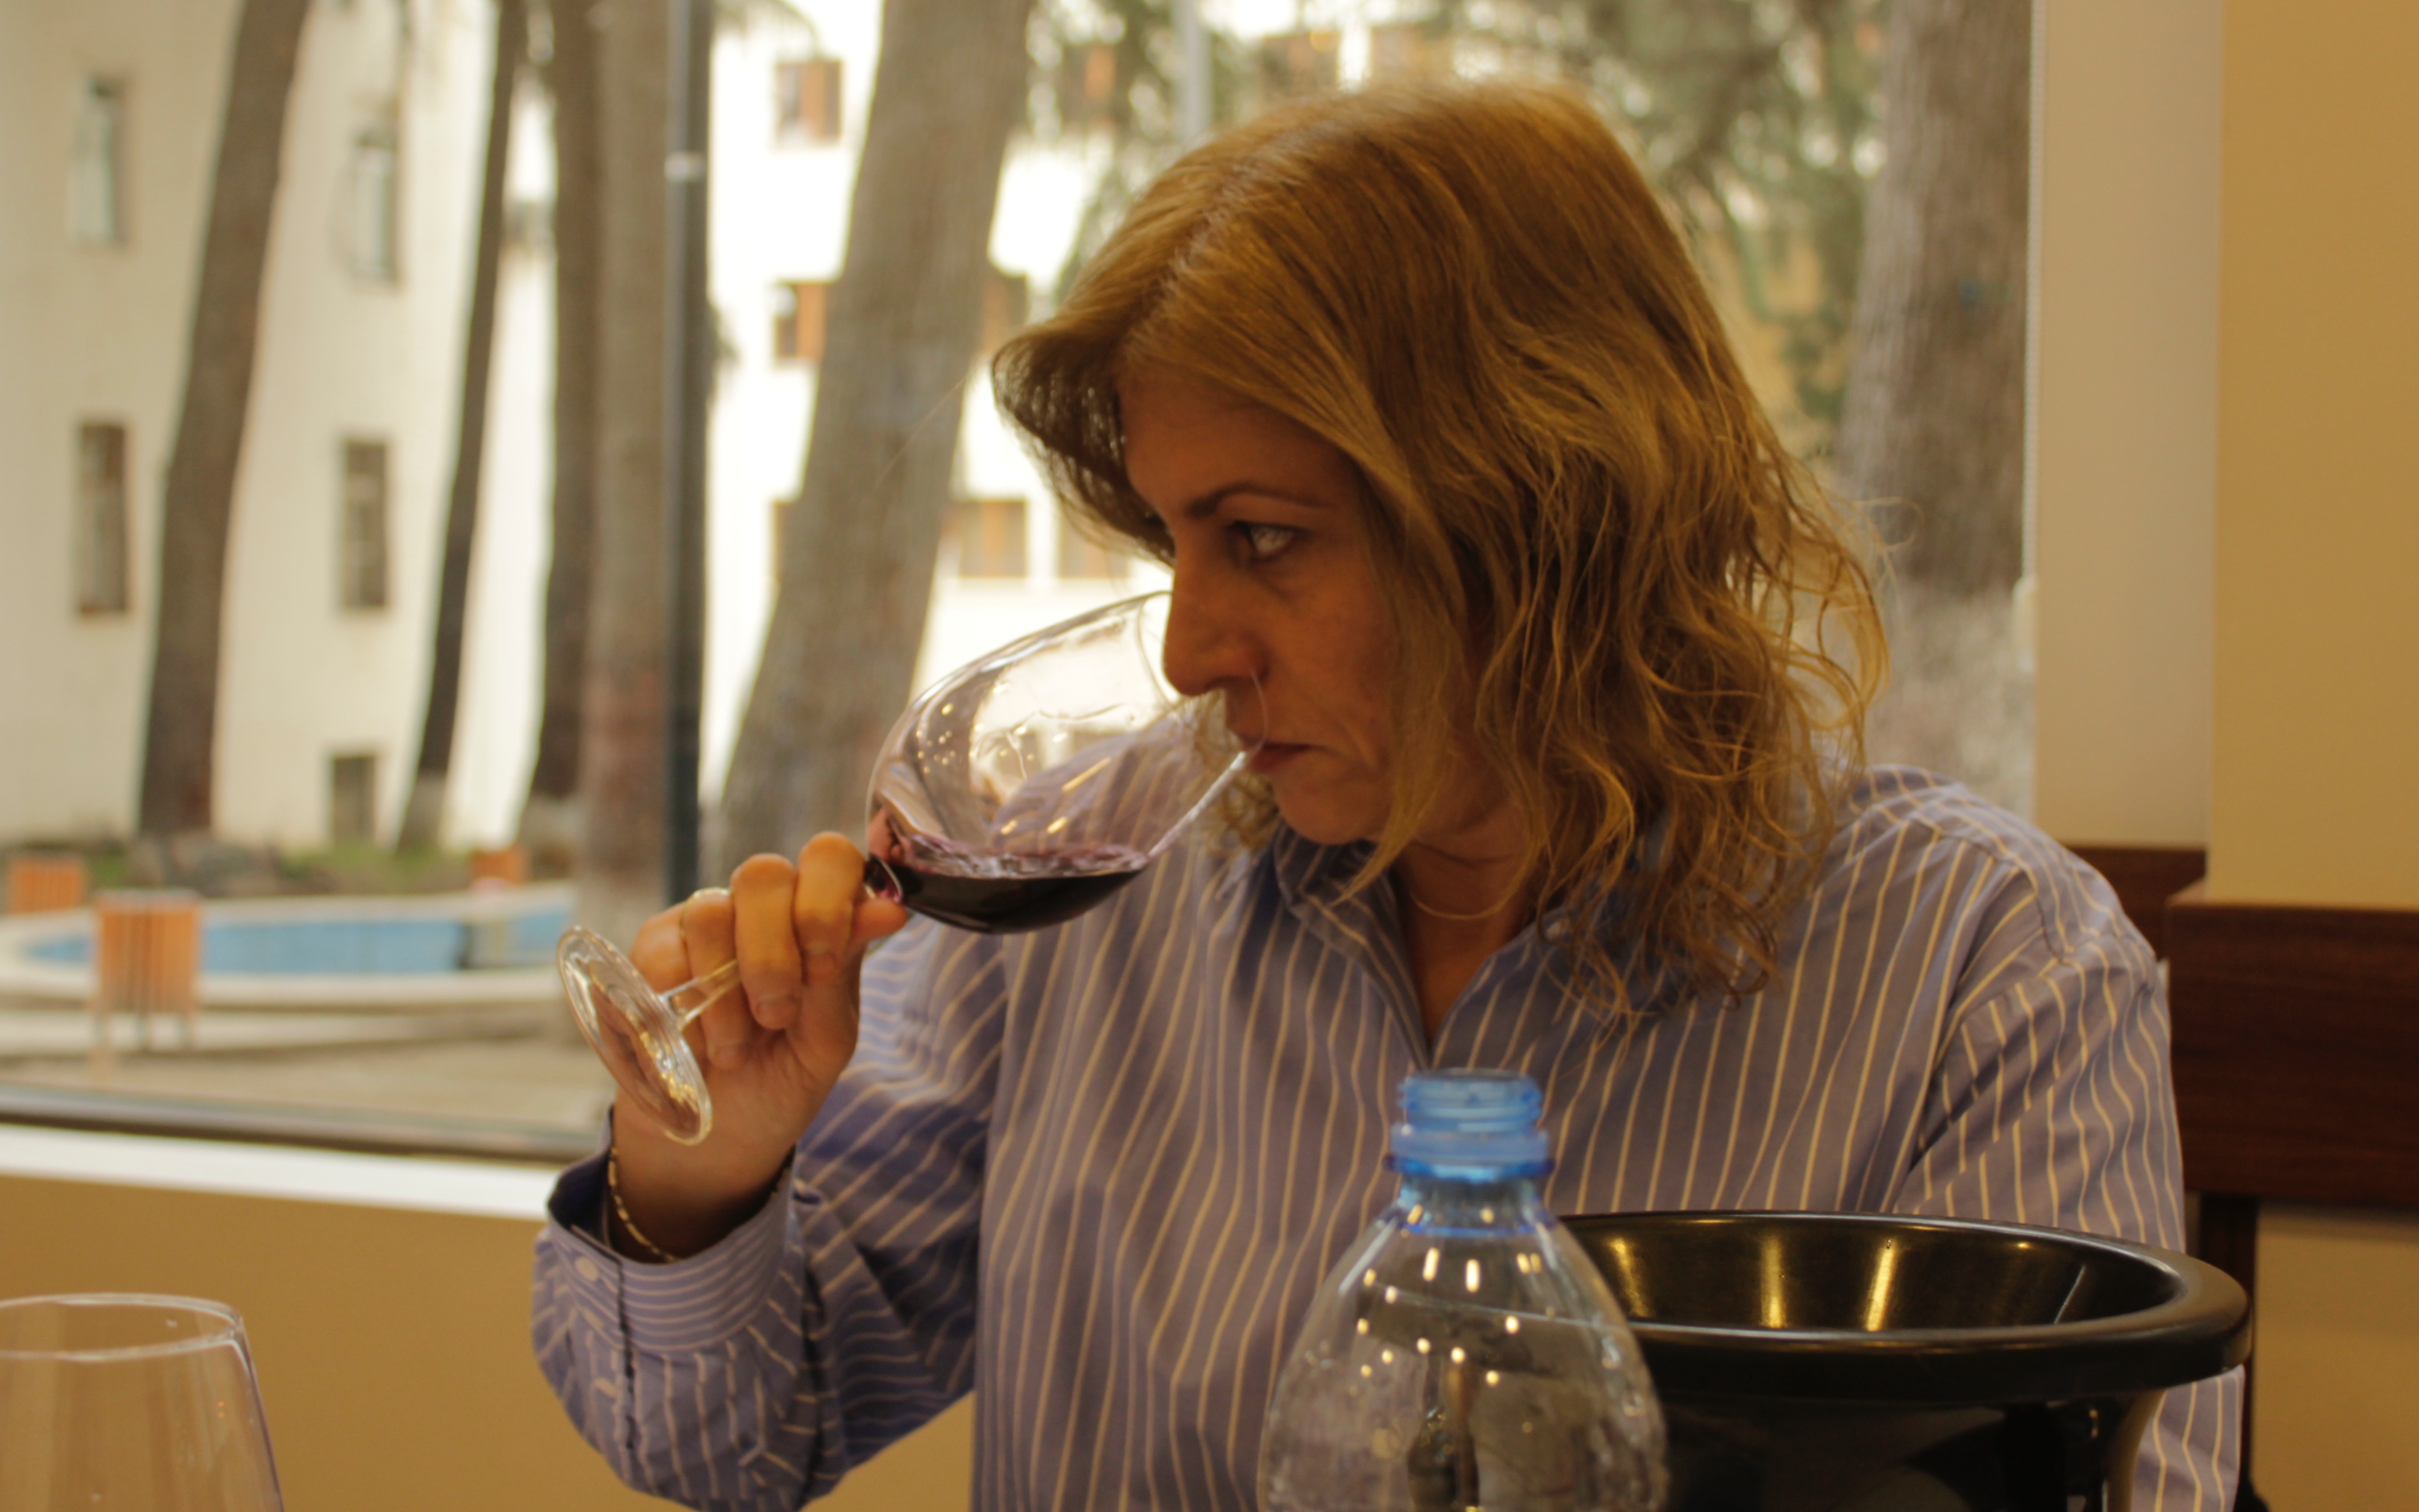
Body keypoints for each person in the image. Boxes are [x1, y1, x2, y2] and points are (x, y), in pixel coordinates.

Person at [533, 80, 2240, 1511]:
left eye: (1264, 539)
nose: (1189, 647)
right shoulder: (1090, 896)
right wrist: (703, 1175)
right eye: (1173, 540)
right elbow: (727, 1439)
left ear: (1546, 508)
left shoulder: (1985, 970)